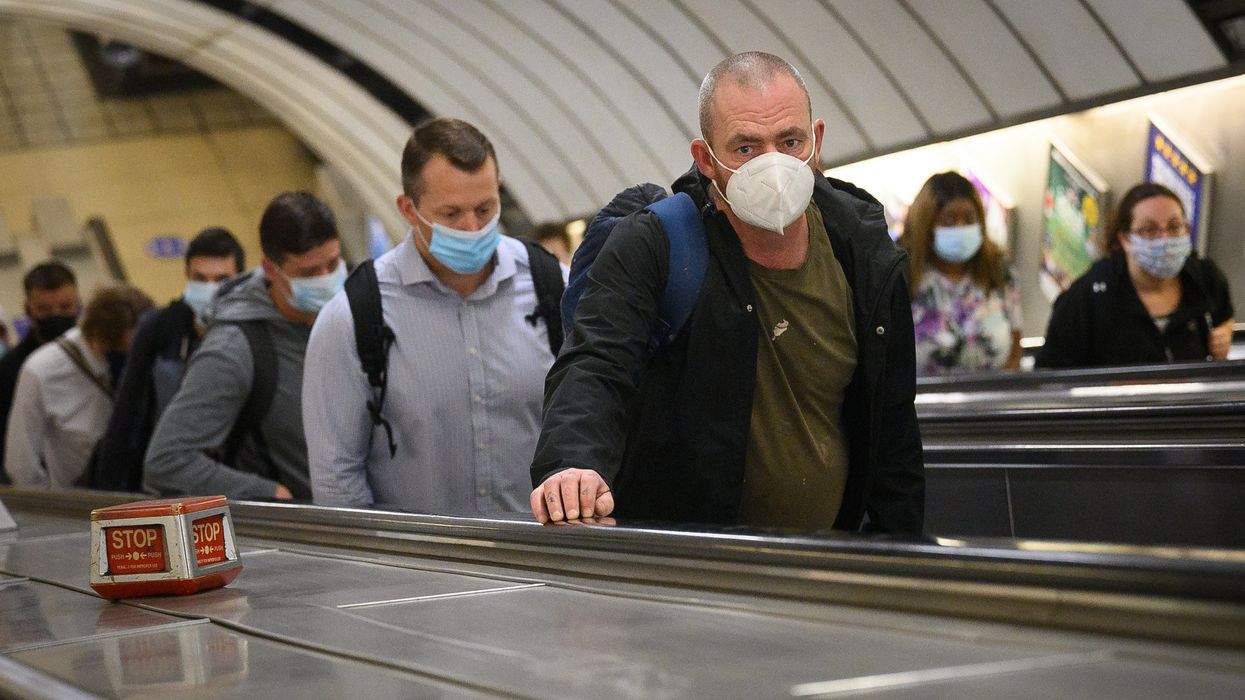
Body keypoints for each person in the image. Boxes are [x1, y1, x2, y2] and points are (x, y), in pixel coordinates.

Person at [529, 52, 924, 534]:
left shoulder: (863, 250)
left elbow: (893, 430)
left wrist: (901, 554)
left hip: (828, 568)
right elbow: (595, 363)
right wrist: (573, 462)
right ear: (705, 159)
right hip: (691, 575)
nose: (773, 164)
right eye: (745, 148)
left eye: (790, 141)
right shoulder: (656, 244)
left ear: (816, 142)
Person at [305, 118, 564, 514]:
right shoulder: (353, 317)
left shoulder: (553, 289)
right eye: (450, 214)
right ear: (408, 209)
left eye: (484, 208)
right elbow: (337, 477)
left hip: (545, 559)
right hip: (419, 569)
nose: (472, 227)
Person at [145, 192, 341, 500]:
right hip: (306, 533)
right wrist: (270, 493)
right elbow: (168, 460)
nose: (326, 279)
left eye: (332, 264)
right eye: (309, 273)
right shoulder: (233, 347)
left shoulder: (352, 314)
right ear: (271, 269)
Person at [91, 227, 245, 491]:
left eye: (221, 279)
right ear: (186, 275)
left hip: (236, 479)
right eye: (200, 279)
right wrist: (111, 493)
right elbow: (127, 416)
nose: (210, 289)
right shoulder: (159, 329)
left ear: (240, 279)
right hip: (171, 483)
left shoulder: (250, 330)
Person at [1037, 182, 1234, 368]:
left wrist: (1225, 332)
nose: (1165, 239)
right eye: (1150, 230)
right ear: (1125, 239)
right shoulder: (1087, 298)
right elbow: (1051, 375)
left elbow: (1224, 317)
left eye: (1174, 227)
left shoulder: (1205, 278)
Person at [4, 285, 153, 488]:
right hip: (80, 502)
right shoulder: (41, 370)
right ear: (99, 336)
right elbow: (21, 462)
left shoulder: (148, 352)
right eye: (119, 350)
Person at [900, 172, 1023, 375]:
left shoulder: (999, 270)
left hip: (994, 401)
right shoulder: (904, 275)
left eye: (969, 219)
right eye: (949, 220)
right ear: (927, 225)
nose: (961, 228)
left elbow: (1016, 341)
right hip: (923, 403)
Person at [0, 261, 82, 479]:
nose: (56, 315)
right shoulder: (9, 371)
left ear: (79, 304)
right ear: (28, 310)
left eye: (65, 307)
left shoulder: (101, 357)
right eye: (44, 309)